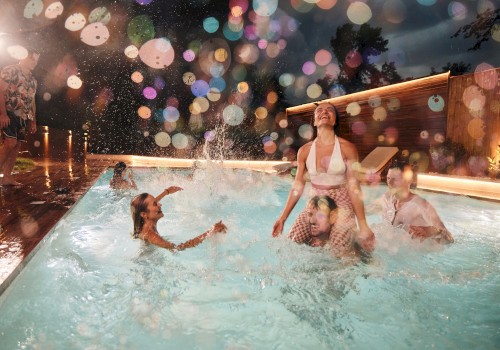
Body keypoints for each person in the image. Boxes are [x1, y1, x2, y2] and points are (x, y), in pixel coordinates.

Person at [272, 102, 375, 253]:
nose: (324, 112)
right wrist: (282, 218)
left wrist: (363, 225)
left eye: (330, 110)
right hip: (315, 200)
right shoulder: (304, 151)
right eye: (319, 110)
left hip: (341, 201)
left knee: (340, 246)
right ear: (314, 121)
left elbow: (354, 187)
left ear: (334, 121)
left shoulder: (347, 148)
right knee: (293, 242)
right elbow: (297, 186)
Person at [369, 160, 454, 244]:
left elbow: (449, 238)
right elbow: (365, 211)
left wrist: (430, 231)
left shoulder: (420, 205)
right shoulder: (386, 199)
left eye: (395, 179)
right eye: (388, 178)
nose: (390, 183)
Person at [131, 186, 227, 251]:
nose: (160, 204)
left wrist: (166, 192)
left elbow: (143, 206)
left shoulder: (143, 222)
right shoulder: (150, 234)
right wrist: (210, 232)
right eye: (155, 204)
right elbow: (177, 248)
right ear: (144, 214)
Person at [0, 48, 40, 186]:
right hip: (9, 112)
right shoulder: (10, 70)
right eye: (32, 59)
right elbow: (0, 90)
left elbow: (32, 101)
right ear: (23, 57)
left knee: (16, 145)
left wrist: (33, 121)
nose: (34, 63)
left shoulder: (33, 80)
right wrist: (3, 114)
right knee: (10, 143)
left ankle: (6, 177)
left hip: (23, 116)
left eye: (36, 60)